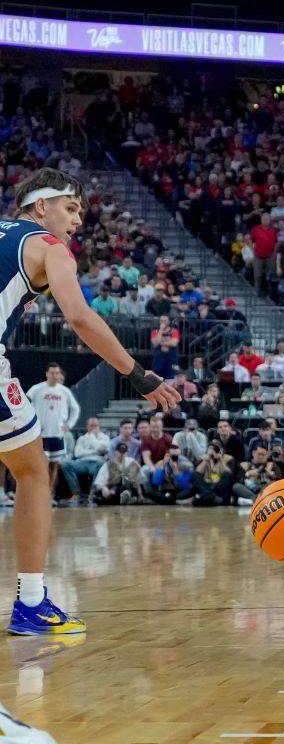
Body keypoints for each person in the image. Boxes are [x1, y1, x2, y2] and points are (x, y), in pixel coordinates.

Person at [1, 169, 178, 635]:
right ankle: (32, 603)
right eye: (72, 208)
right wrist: (137, 374)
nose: (79, 221)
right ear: (41, 207)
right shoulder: (49, 247)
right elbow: (79, 317)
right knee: (33, 471)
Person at [26, 364, 80, 503]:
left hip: (57, 434)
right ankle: (39, 492)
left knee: (54, 464)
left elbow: (75, 409)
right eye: (52, 373)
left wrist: (69, 424)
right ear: (47, 373)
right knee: (40, 464)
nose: (55, 375)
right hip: (40, 435)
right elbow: (25, 403)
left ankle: (49, 493)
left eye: (57, 373)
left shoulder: (64, 391)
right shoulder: (37, 389)